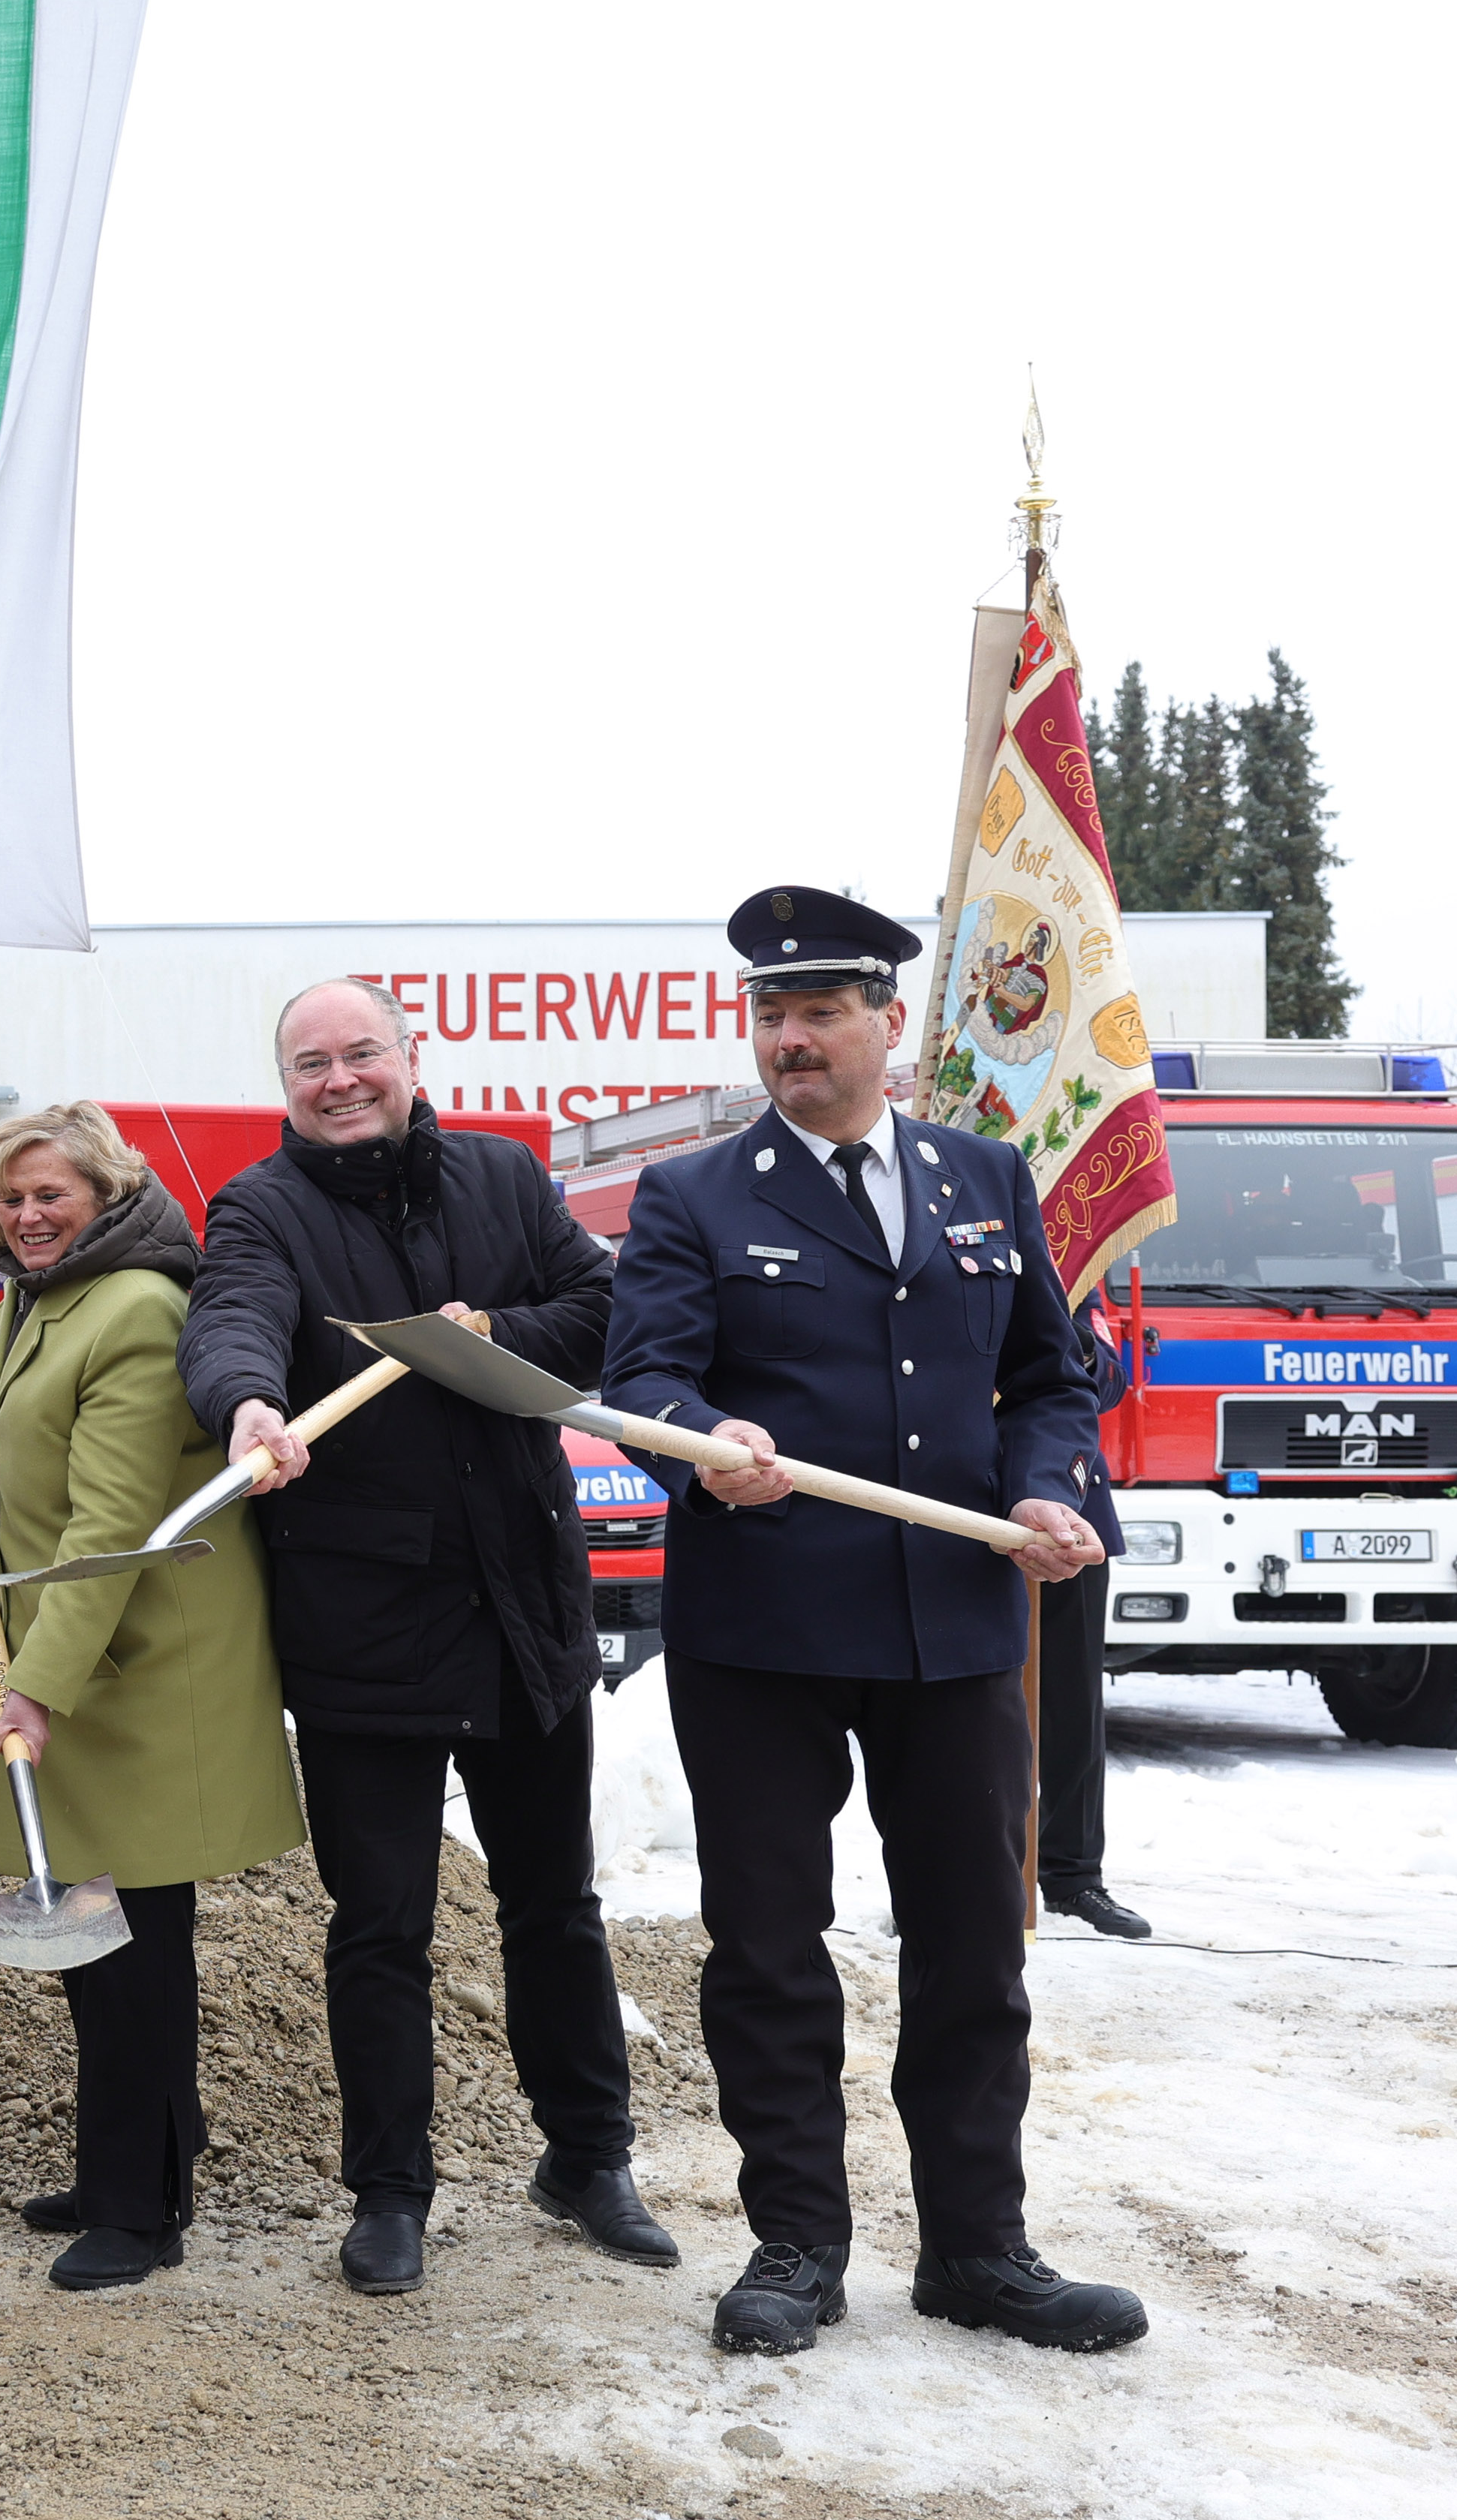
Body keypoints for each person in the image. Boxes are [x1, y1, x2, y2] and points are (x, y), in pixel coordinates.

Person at [603, 884, 1136, 2356]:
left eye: (819, 1011)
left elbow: (1048, 1379)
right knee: (769, 1946)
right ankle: (794, 2244)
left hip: (953, 1630)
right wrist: (702, 1436)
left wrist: (1046, 1488)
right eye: (769, 1013)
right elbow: (639, 1374)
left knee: (974, 1946)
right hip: (761, 1630)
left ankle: (978, 2247)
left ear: (886, 1026)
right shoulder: (692, 1196)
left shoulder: (981, 1177)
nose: (790, 1036)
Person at [174, 978, 670, 2299]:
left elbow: (600, 1312)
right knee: (380, 1923)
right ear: (285, 1084)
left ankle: (589, 2156)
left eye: (360, 1055)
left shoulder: (505, 1181)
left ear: (410, 1057)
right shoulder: (261, 1208)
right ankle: (389, 2191)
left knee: (553, 1906)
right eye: (308, 1064)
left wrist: (493, 1336)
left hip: (522, 1618)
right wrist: (246, 1405)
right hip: (364, 1628)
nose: (338, 1081)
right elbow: (228, 1320)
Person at [0, 1101, 305, 2293]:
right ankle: (131, 2168)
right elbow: (51, 1461)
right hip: (82, 1652)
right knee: (96, 1939)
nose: (30, 1217)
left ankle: (141, 2213)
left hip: (140, 1672)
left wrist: (35, 1691)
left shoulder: (137, 1306)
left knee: (134, 1948)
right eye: (13, 1198)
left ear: (108, 1193)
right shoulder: (39, 1299)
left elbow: (116, 1525)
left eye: (54, 1195)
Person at [1034, 1294, 1148, 1937]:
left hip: (1070, 1506)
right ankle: (950, 1877)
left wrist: (1063, 1327)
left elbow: (1107, 1381)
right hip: (951, 1494)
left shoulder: (1071, 1256)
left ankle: (1074, 1877)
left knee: (1073, 1702)